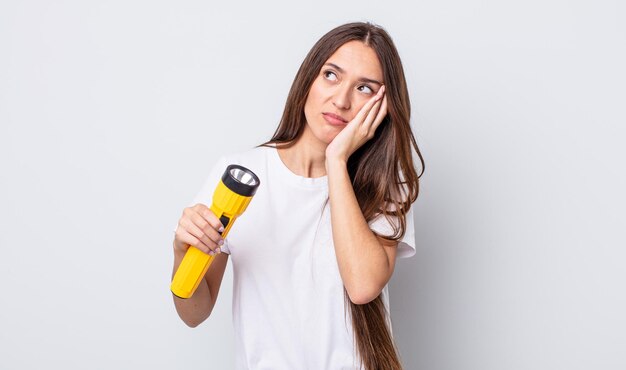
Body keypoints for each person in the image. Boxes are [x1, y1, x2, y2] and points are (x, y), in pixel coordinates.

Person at [171, 21, 425, 370]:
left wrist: (336, 161)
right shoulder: (239, 174)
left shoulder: (383, 184)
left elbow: (363, 286)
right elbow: (194, 313)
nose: (342, 100)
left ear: (381, 107)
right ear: (308, 78)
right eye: (331, 75)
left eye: (364, 88)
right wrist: (181, 252)